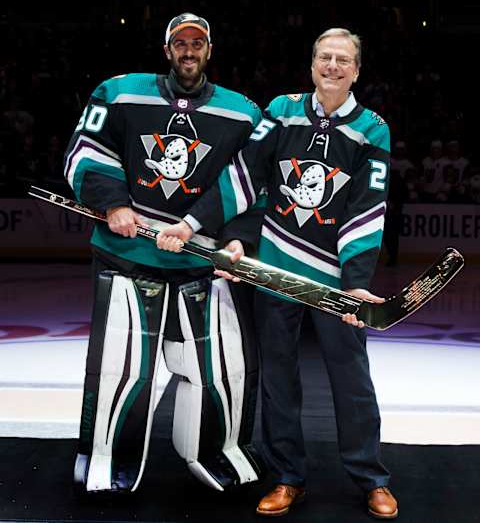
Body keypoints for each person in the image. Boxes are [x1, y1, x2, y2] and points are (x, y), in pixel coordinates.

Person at [157, 28, 398, 519]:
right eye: (325, 57)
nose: (333, 66)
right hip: (275, 270)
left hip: (332, 281)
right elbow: (245, 175)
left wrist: (355, 280)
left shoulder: (373, 129)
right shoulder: (282, 110)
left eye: (343, 60)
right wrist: (191, 223)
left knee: (351, 381)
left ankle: (370, 476)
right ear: (312, 64)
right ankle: (287, 476)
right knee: (278, 381)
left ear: (357, 70)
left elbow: (366, 209)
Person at [64, 12, 266, 495]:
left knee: (222, 369)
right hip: (128, 255)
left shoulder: (244, 113)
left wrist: (239, 237)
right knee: (122, 366)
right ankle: (107, 459)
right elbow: (85, 150)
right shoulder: (119, 91)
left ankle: (219, 450)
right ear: (167, 49)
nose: (189, 50)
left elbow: (253, 182)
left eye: (197, 43)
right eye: (180, 43)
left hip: (203, 262)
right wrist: (112, 202)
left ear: (210, 50)